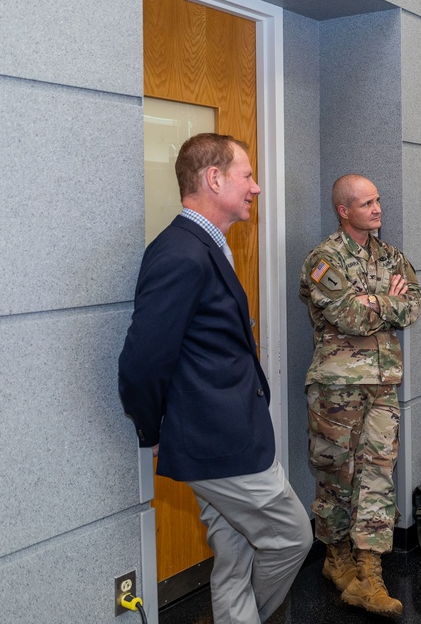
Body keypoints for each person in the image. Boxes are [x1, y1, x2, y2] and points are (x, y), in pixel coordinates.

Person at [118, 133, 312, 624]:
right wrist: (153, 432)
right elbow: (143, 361)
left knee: (234, 555)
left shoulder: (208, 243)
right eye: (247, 175)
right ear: (213, 178)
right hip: (217, 442)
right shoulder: (179, 253)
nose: (256, 187)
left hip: (229, 432)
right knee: (292, 536)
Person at [300, 173, 420, 619]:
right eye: (367, 203)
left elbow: (414, 304)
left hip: (384, 384)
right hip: (337, 387)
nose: (377, 208)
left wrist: (375, 304)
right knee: (336, 476)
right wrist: (385, 303)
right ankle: (336, 559)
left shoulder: (390, 255)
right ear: (343, 210)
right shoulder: (323, 259)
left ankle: (370, 573)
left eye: (378, 200)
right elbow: (348, 316)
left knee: (378, 476)